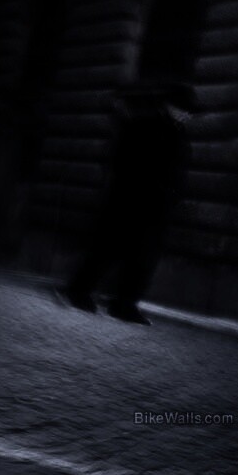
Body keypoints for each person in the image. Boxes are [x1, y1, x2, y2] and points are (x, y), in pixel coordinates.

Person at [58, 82, 195, 324]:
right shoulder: (144, 124)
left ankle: (124, 304)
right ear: (169, 106)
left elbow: (177, 170)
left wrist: (172, 197)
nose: (187, 115)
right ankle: (79, 291)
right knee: (108, 248)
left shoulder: (179, 132)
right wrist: (139, 188)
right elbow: (122, 160)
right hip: (131, 200)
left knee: (142, 258)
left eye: (189, 111)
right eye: (183, 109)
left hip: (157, 207)